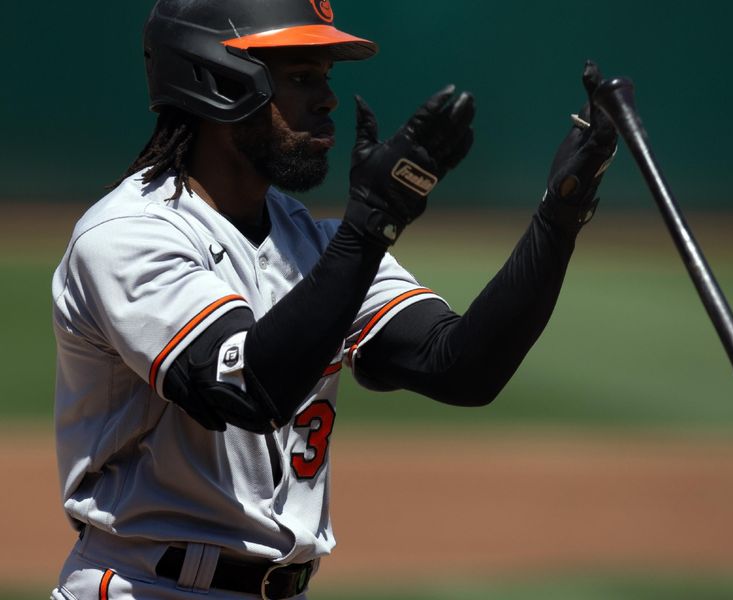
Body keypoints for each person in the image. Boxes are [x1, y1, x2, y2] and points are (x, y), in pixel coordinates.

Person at [50, 1, 617, 598]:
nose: (327, 100)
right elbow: (246, 388)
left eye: (325, 78)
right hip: (146, 585)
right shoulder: (129, 234)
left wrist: (561, 211)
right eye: (300, 78)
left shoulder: (315, 243)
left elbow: (462, 367)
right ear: (217, 82)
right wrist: (371, 227)